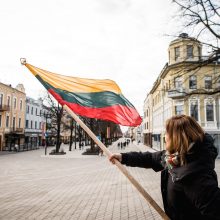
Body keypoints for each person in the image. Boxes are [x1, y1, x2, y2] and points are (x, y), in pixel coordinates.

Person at [109, 115, 220, 220]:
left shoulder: (195, 176)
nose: (164, 136)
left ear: (177, 137)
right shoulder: (174, 158)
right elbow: (150, 158)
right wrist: (123, 157)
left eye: (167, 133)